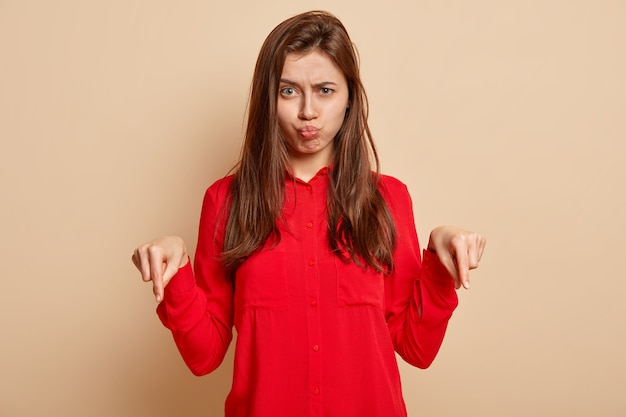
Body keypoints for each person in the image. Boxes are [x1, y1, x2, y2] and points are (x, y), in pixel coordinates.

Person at [132, 10, 485, 417]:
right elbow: (204, 355)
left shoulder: (388, 199)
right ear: (268, 97)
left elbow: (416, 347)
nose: (307, 112)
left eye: (325, 90)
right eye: (288, 91)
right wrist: (175, 272)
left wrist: (440, 264)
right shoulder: (226, 201)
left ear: (349, 96)